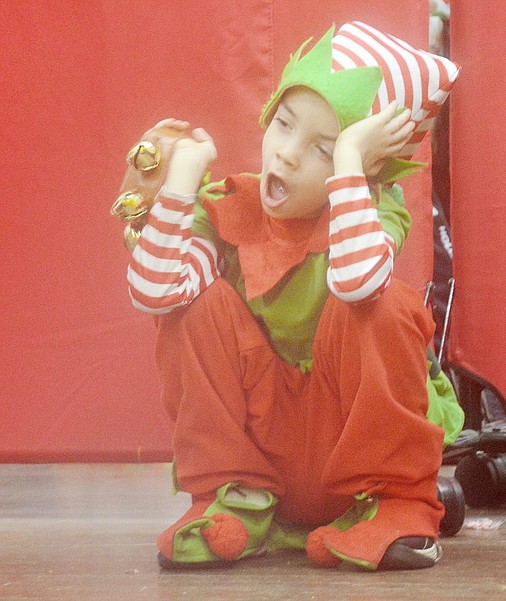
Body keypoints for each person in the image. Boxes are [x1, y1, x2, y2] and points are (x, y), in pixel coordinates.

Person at [121, 22, 462, 571]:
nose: (286, 155)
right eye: (283, 125)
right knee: (194, 306)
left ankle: (398, 504)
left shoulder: (373, 213)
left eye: (322, 148)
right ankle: (233, 497)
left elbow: (358, 283)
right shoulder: (230, 206)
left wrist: (350, 163)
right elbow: (155, 295)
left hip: (349, 462)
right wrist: (181, 184)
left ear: (370, 167)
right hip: (262, 462)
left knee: (386, 304)